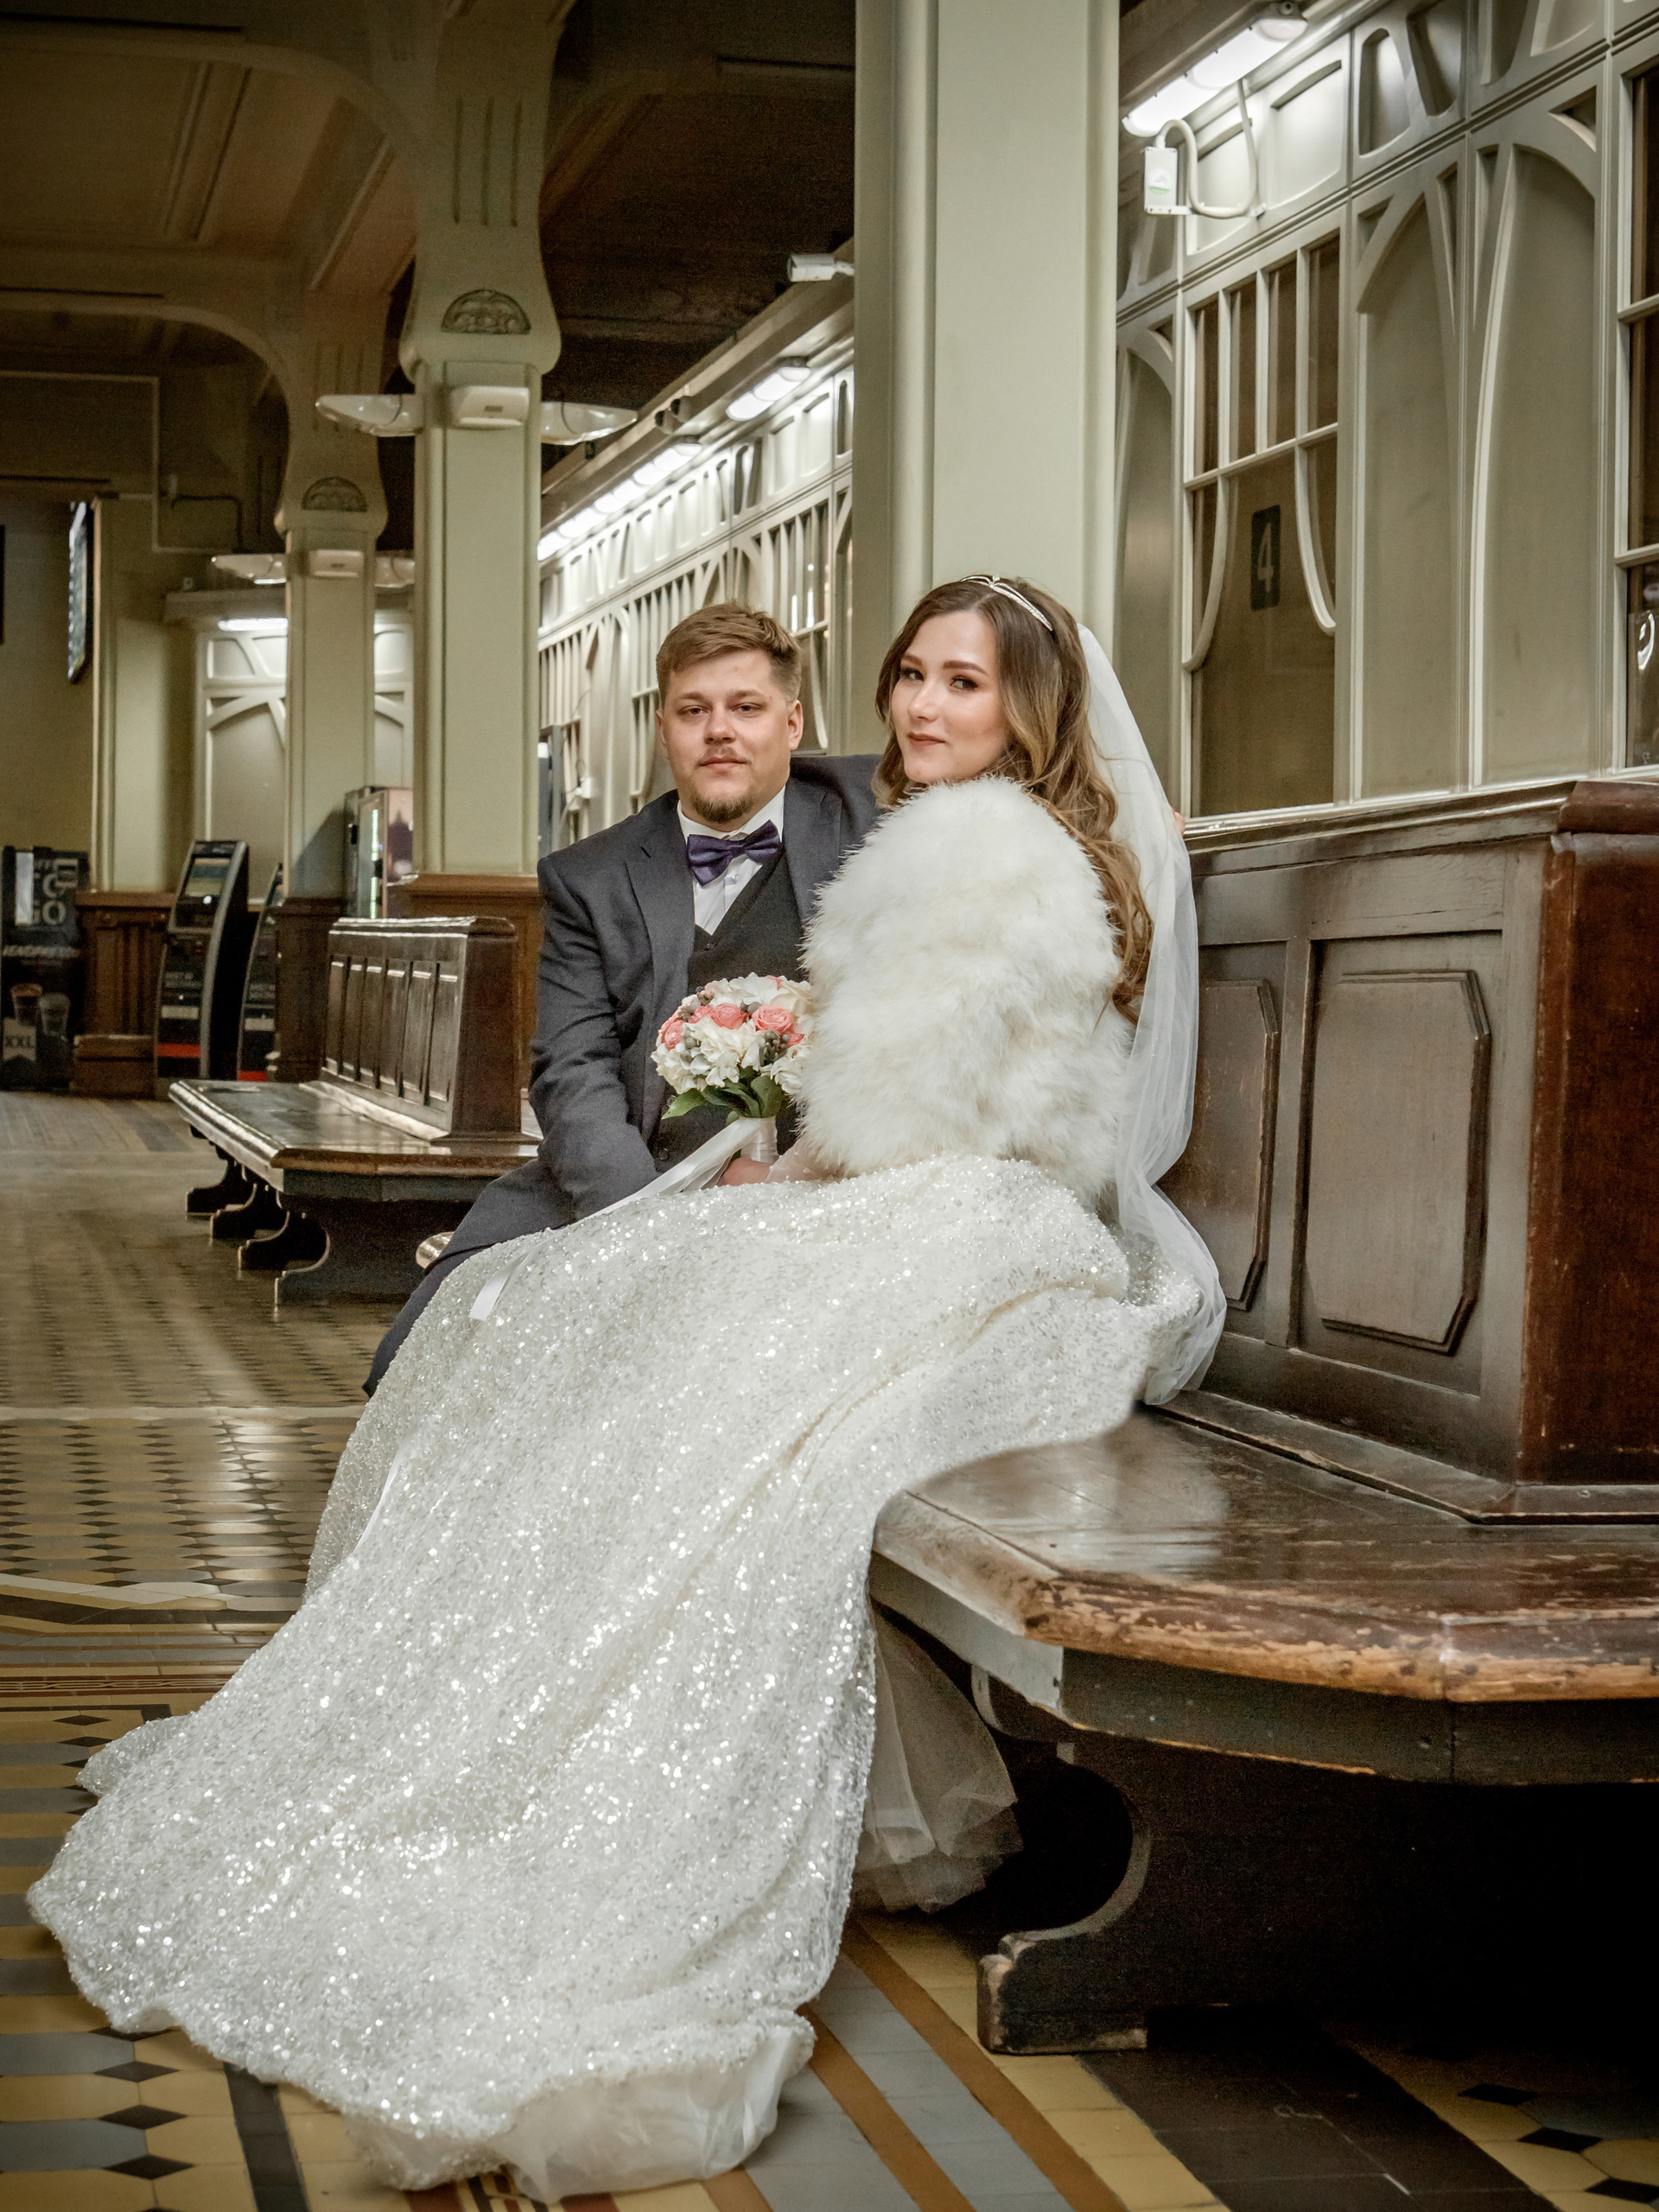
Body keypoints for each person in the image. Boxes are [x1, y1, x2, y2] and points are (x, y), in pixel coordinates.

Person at [32, 576, 1224, 2202]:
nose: (925, 706)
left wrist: (778, 1172)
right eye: (912, 676)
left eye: (966, 683)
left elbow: (909, 1120)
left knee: (610, 1349)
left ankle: (534, 1754)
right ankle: (498, 1711)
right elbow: (645, 1076)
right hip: (929, 1193)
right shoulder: (947, 832)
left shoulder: (972, 850)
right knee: (551, 1314)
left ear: (1033, 707)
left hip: (954, 1212)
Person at [364, 601, 881, 1392]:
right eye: (693, 711)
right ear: (663, 729)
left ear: (793, 723)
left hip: (826, 1189)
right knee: (436, 1358)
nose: (719, 731)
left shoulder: (869, 815)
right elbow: (573, 1070)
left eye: (746, 707)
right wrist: (643, 1224)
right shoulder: (591, 877)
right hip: (633, 1181)